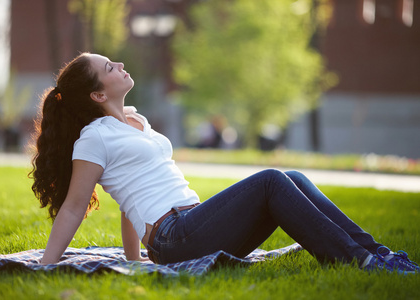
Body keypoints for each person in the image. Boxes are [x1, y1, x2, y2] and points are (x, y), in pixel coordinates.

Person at [30, 53, 419, 274]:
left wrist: (134, 262)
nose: (119, 65)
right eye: (109, 67)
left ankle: (379, 254)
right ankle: (362, 262)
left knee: (292, 177)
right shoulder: (93, 138)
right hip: (176, 236)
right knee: (270, 180)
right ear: (97, 94)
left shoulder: (135, 121)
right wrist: (47, 266)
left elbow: (130, 197)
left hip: (193, 226)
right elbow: (74, 207)